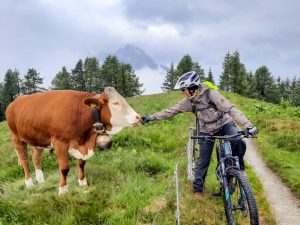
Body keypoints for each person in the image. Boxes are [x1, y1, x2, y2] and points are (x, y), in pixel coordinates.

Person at [141, 71, 259, 198]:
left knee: (237, 140)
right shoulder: (188, 101)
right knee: (203, 160)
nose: (183, 92)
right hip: (206, 130)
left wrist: (248, 125)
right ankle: (198, 190)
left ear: (192, 89)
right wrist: (150, 118)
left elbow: (230, 108)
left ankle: (238, 171)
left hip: (224, 124)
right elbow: (170, 111)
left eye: (184, 89)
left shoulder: (211, 94)